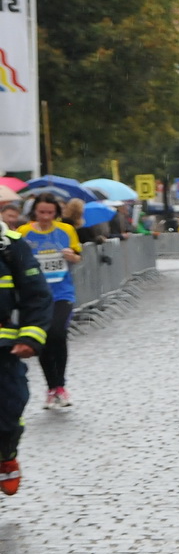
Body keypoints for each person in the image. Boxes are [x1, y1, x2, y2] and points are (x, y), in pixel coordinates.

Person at [0, 213, 52, 494]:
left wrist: (31, 335)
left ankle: (6, 455)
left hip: (3, 348)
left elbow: (37, 294)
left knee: (10, 408)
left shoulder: (9, 244)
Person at [20, 195, 80, 410]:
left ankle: (61, 385)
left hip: (62, 293)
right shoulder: (23, 233)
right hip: (35, 295)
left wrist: (71, 256)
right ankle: (52, 387)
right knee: (42, 339)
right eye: (41, 212)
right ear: (34, 212)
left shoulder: (66, 230)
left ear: (56, 213)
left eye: (50, 213)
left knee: (57, 333)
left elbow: (78, 255)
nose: (45, 216)